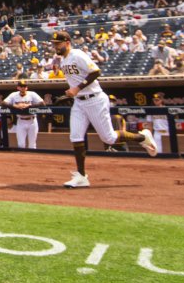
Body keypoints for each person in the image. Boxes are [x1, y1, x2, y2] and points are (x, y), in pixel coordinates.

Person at [53, 30, 158, 189]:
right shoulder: (63, 60)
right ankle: (81, 176)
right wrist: (71, 93)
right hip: (79, 103)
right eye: (54, 44)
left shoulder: (77, 54)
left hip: (95, 99)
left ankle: (142, 137)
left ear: (67, 42)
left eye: (58, 43)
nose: (56, 46)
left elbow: (96, 71)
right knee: (75, 137)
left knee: (109, 138)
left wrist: (77, 88)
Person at [2, 80, 44, 149]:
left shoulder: (32, 94)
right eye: (21, 86)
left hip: (32, 120)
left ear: (27, 88)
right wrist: (14, 105)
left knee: (32, 145)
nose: (23, 88)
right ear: (18, 88)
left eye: (24, 86)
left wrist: (29, 105)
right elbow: (3, 103)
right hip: (21, 121)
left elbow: (42, 103)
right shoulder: (14, 95)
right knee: (21, 145)